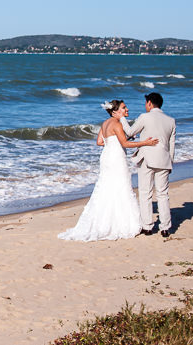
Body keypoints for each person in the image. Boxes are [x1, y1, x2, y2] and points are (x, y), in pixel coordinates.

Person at [59, 100, 158, 241]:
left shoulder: (105, 123)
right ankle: (123, 223)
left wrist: (121, 139)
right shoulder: (117, 124)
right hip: (116, 157)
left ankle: (105, 221)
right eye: (124, 108)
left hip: (106, 157)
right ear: (115, 112)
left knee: (107, 186)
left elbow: (99, 142)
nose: (127, 109)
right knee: (121, 186)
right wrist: (145, 143)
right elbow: (125, 143)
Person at [129, 92, 177, 237]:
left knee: (146, 193)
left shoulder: (145, 117)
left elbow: (131, 132)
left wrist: (121, 120)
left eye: (146, 103)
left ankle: (148, 226)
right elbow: (172, 146)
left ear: (149, 103)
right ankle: (165, 227)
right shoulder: (171, 120)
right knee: (163, 194)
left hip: (147, 160)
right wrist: (170, 163)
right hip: (164, 159)